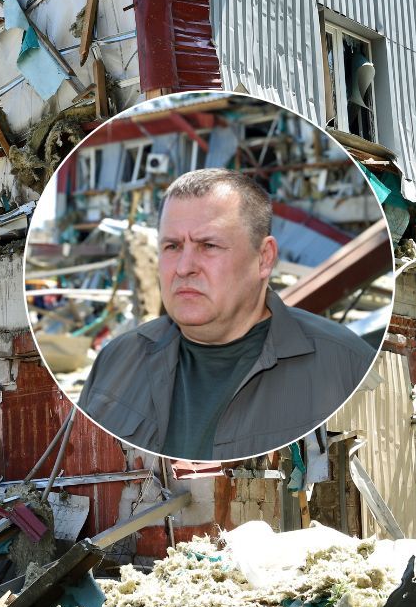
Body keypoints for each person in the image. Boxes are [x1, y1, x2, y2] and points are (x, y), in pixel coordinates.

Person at [76, 169, 376, 461]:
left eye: (208, 245)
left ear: (264, 258)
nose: (183, 267)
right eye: (172, 246)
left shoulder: (345, 367)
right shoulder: (116, 361)